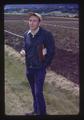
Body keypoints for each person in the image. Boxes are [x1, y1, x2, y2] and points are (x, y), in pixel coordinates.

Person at [20, 12, 55, 115]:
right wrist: (23, 51)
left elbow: (52, 51)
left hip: (40, 68)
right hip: (29, 68)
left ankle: (43, 113)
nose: (31, 23)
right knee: (33, 92)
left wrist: (45, 65)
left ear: (39, 22)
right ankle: (36, 111)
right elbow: (25, 47)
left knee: (38, 92)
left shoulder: (46, 34)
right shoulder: (26, 34)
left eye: (34, 20)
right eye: (30, 20)